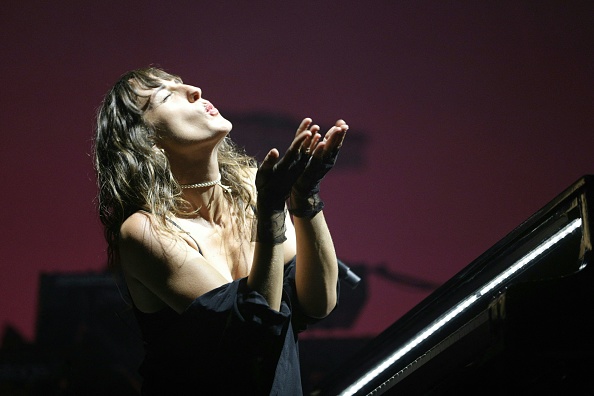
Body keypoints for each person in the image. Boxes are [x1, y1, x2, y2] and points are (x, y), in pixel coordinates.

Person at [93, 66, 348, 395]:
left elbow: (318, 303)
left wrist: (305, 197)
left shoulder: (248, 184)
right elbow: (252, 340)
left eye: (185, 84)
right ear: (148, 143)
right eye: (169, 95)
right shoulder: (145, 230)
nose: (195, 90)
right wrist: (270, 212)